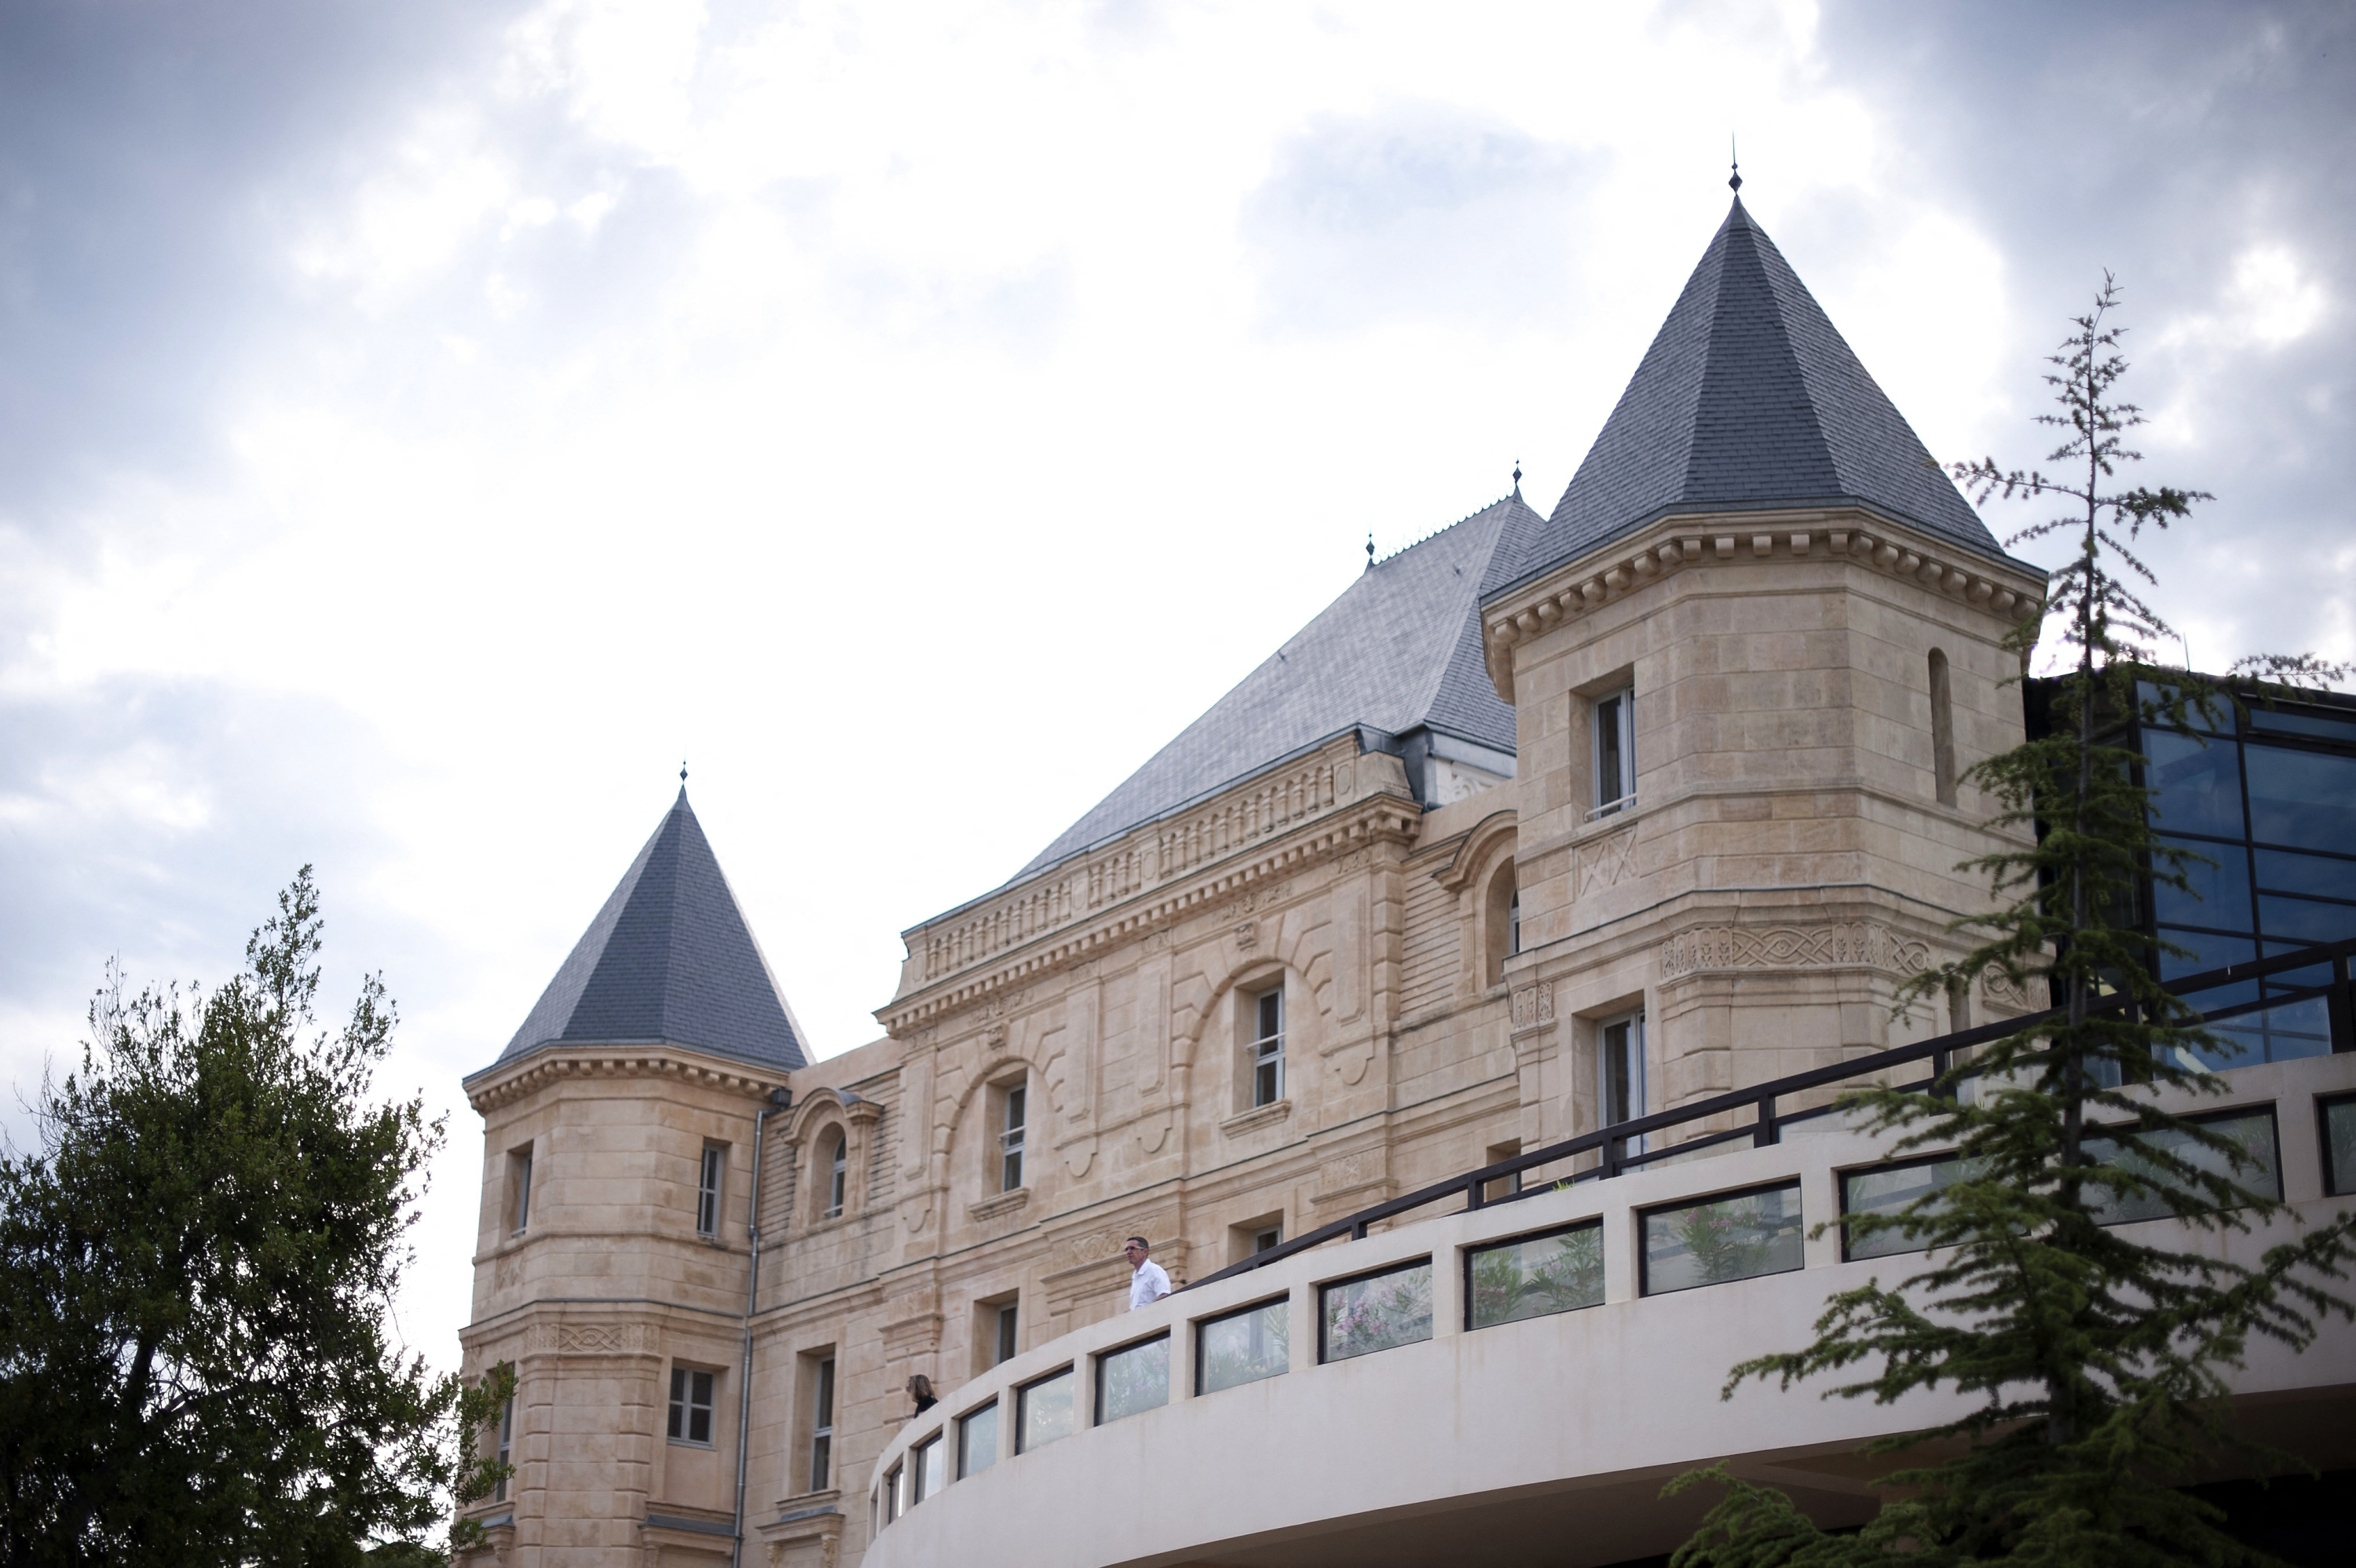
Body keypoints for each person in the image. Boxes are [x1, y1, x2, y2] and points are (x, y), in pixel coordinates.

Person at [1123, 1235, 1170, 1310]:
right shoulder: (1135, 1275)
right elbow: (1138, 1305)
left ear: (1145, 1252)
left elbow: (1164, 1295)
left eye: (1133, 1248)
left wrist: (1145, 1311)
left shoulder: (1154, 1270)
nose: (1128, 1252)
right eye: (1127, 1249)